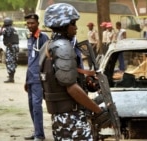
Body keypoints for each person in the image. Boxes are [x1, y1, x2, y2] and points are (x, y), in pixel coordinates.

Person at [39, 3, 111, 140]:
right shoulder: (63, 47)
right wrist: (98, 111)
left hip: (61, 117)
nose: (76, 27)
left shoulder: (47, 46)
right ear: (63, 25)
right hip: (71, 119)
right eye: (73, 23)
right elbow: (71, 88)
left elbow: (56, 80)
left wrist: (85, 81)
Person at [23, 13, 49, 141]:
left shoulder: (43, 38)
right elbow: (30, 60)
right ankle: (37, 132)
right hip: (30, 78)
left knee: (37, 106)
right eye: (28, 23)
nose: (30, 25)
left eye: (32, 23)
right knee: (31, 106)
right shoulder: (30, 38)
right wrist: (26, 80)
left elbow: (48, 59)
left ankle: (39, 135)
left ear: (37, 23)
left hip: (39, 78)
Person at [0, 17, 19, 83]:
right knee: (14, 61)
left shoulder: (7, 29)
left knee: (9, 61)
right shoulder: (14, 29)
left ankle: (11, 78)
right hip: (15, 47)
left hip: (10, 47)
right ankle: (11, 76)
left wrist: (2, 27)